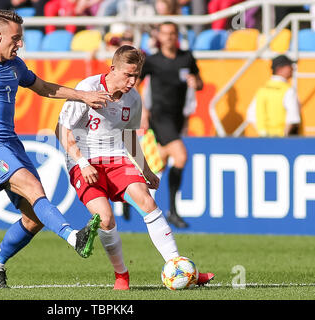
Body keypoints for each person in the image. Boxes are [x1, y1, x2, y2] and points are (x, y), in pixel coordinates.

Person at [0, 9, 111, 289]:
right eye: (16, 38)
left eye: (22, 38)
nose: (20, 44)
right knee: (33, 188)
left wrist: (83, 95)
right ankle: (74, 237)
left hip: (11, 144)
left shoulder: (16, 66)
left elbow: (43, 88)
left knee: (33, 218)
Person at [56, 45, 214, 290]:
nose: (132, 81)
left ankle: (180, 267)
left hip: (117, 158)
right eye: (127, 75)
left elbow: (129, 136)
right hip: (84, 160)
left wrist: (147, 170)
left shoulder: (133, 98)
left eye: (136, 75)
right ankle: (122, 274)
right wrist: (82, 162)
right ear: (112, 70)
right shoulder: (87, 89)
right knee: (105, 219)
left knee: (148, 202)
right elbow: (62, 131)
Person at [138, 22, 203, 229]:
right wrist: (142, 111)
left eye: (171, 33)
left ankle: (133, 195)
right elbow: (135, 83)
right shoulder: (153, 60)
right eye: (164, 33)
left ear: (176, 36)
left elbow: (200, 81)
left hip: (177, 118)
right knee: (181, 156)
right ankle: (173, 211)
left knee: (161, 160)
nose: (168, 37)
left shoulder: (186, 57)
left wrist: (196, 82)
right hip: (159, 115)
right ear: (159, 37)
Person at [246, 55, 300, 137]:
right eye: (289, 66)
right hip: (283, 139)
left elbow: (251, 115)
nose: (293, 69)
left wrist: (263, 133)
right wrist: (284, 136)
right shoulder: (288, 90)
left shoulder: (262, 90)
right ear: (279, 69)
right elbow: (293, 117)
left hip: (264, 139)